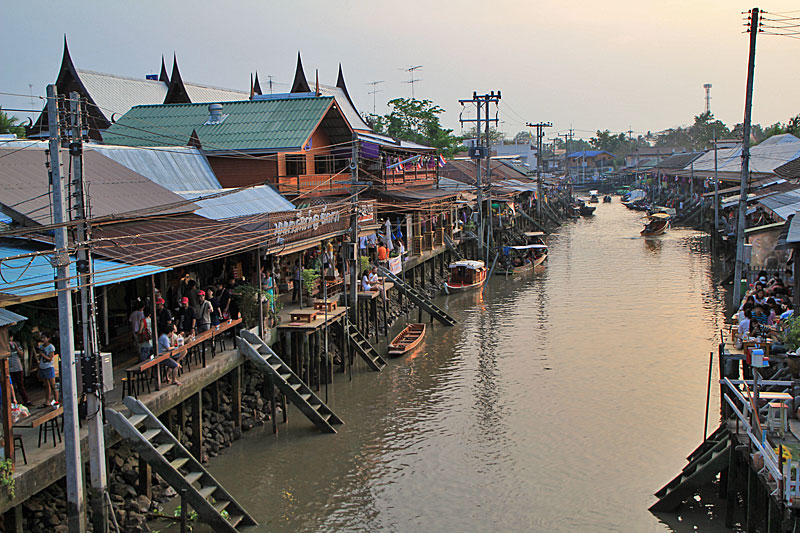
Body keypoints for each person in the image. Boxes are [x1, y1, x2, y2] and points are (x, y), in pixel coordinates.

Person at [8, 332, 30, 406]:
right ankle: (15, 401)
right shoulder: (4, 346)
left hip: (18, 367)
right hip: (9, 369)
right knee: (12, 385)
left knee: (20, 384)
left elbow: (21, 354)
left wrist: (16, 348)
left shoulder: (17, 344)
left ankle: (26, 400)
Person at [37, 332, 58, 408]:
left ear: (48, 339)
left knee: (53, 385)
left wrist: (42, 354)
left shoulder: (51, 347)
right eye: (42, 338)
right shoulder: (41, 346)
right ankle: (47, 401)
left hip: (49, 367)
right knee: (46, 385)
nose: (42, 339)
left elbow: (50, 359)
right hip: (42, 366)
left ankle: (56, 400)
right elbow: (40, 359)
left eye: (44, 338)